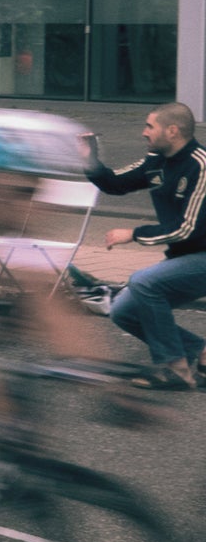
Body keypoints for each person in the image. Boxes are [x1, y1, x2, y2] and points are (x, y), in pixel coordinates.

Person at [85, 104, 206, 390]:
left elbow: (187, 228)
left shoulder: (200, 165)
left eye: (150, 126)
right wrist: (89, 158)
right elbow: (115, 183)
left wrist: (134, 233)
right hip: (188, 258)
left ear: (172, 131)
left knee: (144, 282)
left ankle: (174, 370)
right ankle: (196, 352)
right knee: (124, 311)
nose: (144, 132)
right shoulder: (156, 160)